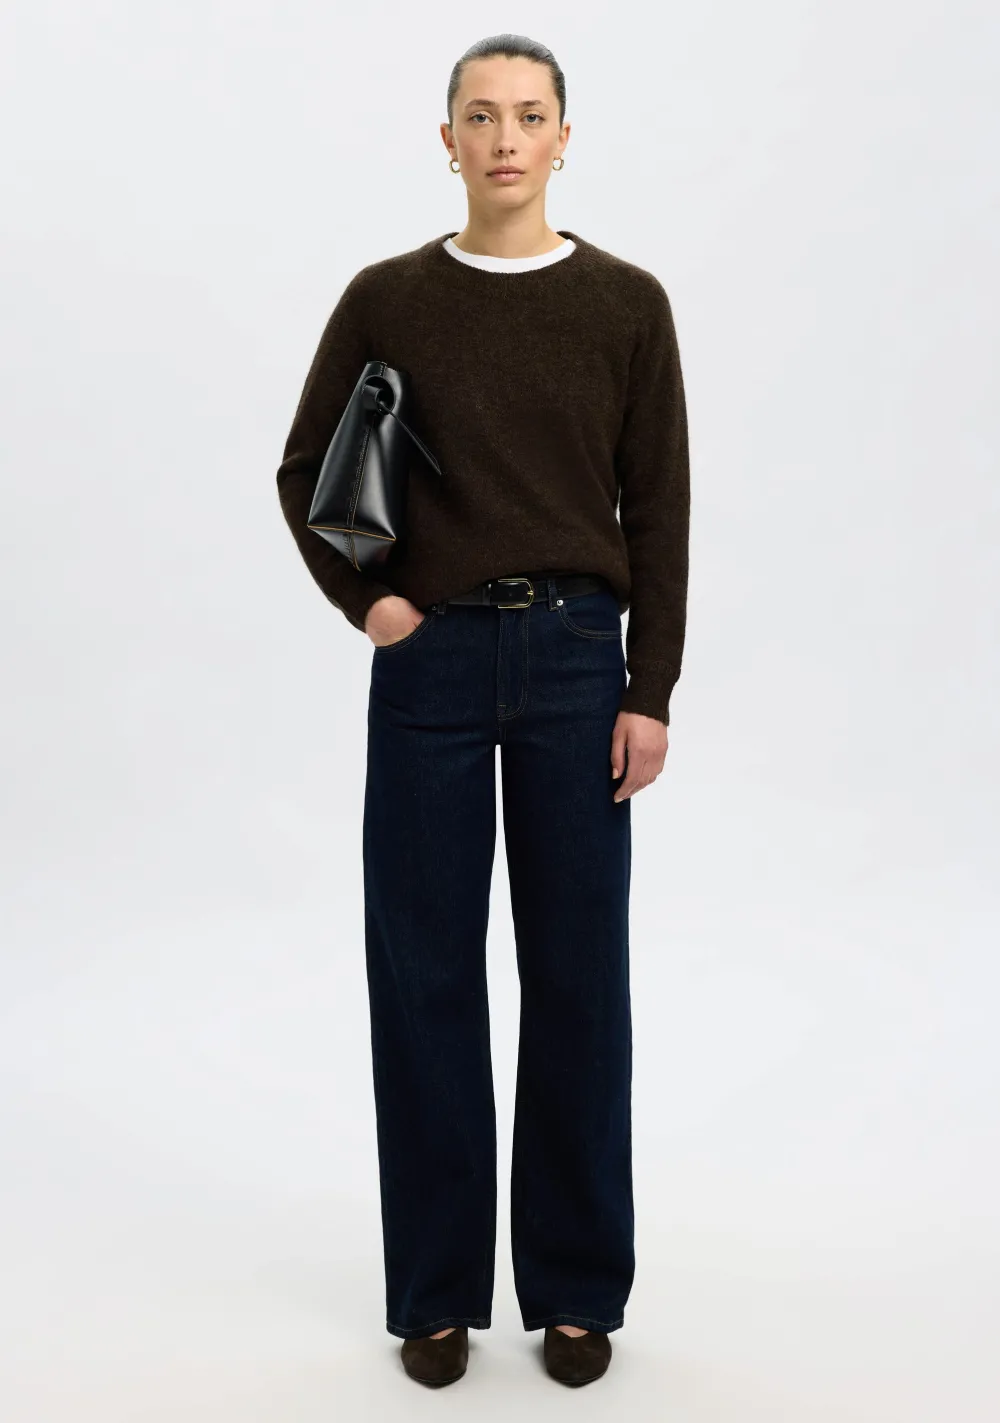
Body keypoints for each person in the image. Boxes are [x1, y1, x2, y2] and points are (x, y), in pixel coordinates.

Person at [276, 33, 690, 1389]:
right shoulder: (389, 298)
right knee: (428, 980)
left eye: (528, 115)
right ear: (445, 138)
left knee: (578, 982)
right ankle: (437, 1291)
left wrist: (648, 689)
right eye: (480, 115)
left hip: (576, 663)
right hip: (435, 667)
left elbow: (660, 508)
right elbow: (305, 466)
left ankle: (575, 1287)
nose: (505, 138)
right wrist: (371, 604)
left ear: (565, 136)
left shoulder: (627, 304)